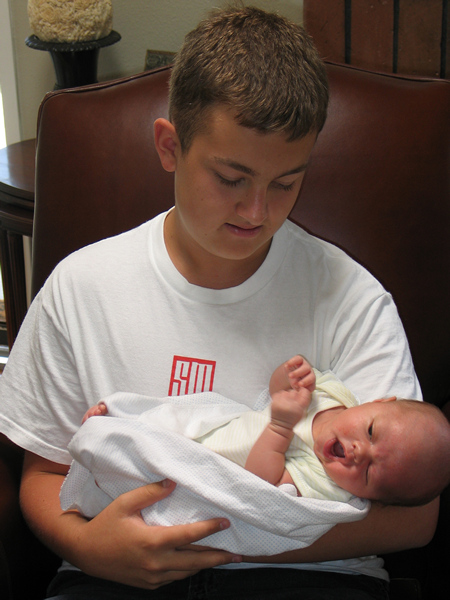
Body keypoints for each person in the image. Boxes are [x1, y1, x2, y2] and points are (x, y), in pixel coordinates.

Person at [0, 5, 438, 600]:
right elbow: (46, 471)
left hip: (311, 578)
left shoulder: (351, 300)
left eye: (285, 182)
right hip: (116, 576)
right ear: (169, 146)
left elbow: (415, 517)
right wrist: (87, 547)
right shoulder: (82, 287)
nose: (257, 211)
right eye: (231, 178)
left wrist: (220, 538)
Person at [81, 355, 450, 507]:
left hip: (212, 465)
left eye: (368, 473)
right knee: (170, 417)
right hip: (221, 427)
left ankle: (105, 448)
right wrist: (291, 378)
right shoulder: (335, 395)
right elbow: (276, 392)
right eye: (370, 432)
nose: (359, 452)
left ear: (368, 496)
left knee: (154, 468)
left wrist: (281, 426)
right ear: (380, 401)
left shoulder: (325, 484)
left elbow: (262, 482)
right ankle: (115, 424)